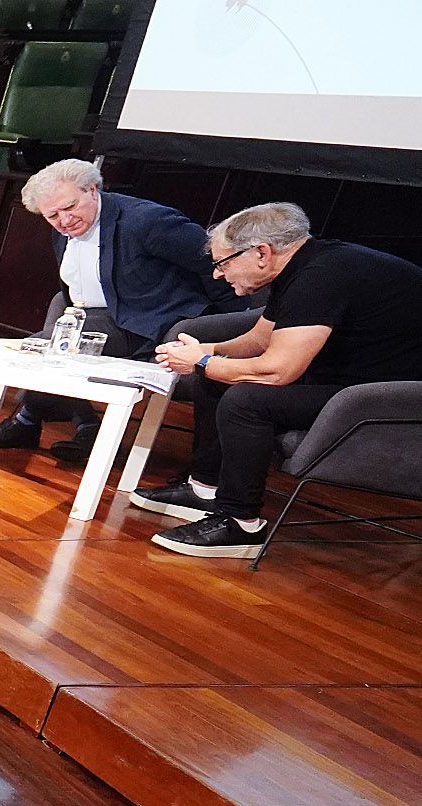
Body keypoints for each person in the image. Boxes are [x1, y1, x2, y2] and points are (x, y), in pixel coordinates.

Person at [137, 202, 422, 559]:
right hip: (348, 383)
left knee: (247, 400)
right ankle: (204, 488)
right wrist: (207, 351)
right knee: (216, 375)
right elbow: (259, 340)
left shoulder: (322, 276)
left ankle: (241, 522)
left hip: (388, 397)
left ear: (261, 252)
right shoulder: (304, 267)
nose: (217, 276)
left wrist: (205, 361)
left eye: (222, 264)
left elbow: (277, 371)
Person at [0, 159, 226, 461]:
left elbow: (217, 265)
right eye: (53, 216)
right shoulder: (62, 227)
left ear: (92, 189)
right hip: (94, 314)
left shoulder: (146, 221)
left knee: (46, 351)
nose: (64, 220)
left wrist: (224, 326)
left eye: (70, 207)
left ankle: (30, 420)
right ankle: (68, 423)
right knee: (45, 338)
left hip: (147, 324)